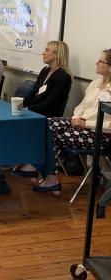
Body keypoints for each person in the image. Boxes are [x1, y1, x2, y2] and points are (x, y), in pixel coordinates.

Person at [33, 49, 111, 194]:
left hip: (101, 133)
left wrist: (85, 124)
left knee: (54, 135)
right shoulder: (95, 83)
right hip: (81, 123)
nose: (96, 63)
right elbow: (82, 105)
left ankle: (49, 176)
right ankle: (49, 175)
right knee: (47, 123)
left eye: (101, 61)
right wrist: (75, 118)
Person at [12, 42, 73, 178]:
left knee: (21, 123)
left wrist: (28, 109)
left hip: (48, 115)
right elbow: (34, 92)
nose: (43, 53)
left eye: (47, 50)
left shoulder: (63, 76)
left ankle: (32, 163)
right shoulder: (45, 71)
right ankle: (21, 159)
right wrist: (22, 103)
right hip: (34, 111)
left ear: (57, 54)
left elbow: (51, 103)